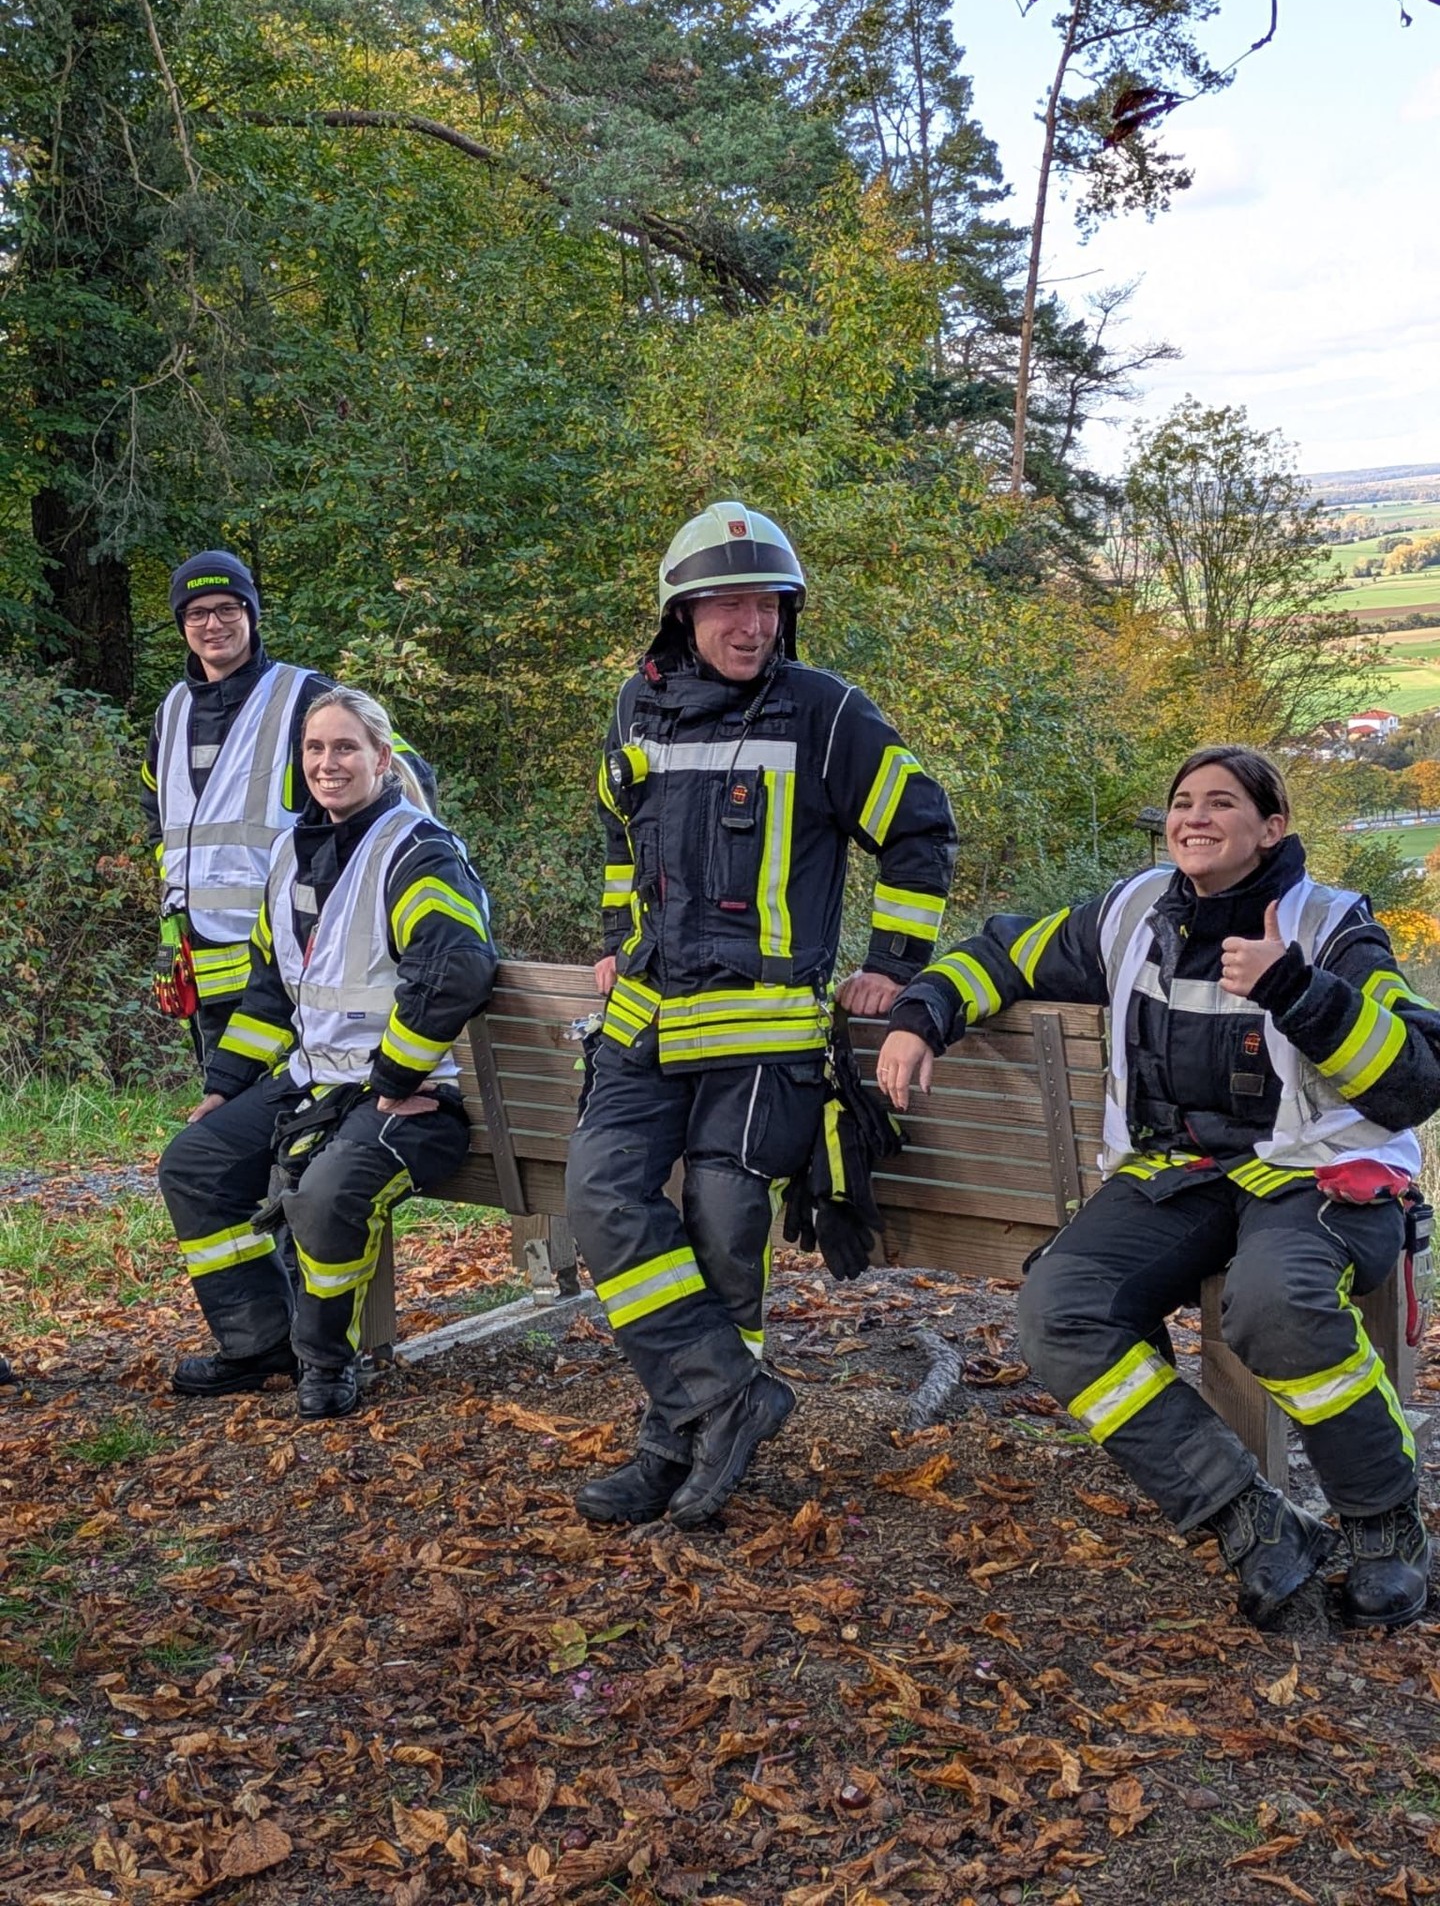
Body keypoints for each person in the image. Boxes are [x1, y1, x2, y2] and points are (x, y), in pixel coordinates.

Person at [877, 745, 1437, 1629]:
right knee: (1059, 1309)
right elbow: (1004, 952)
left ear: (1271, 829)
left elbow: (1413, 1081)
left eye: (1222, 803)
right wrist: (922, 1015)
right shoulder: (1133, 910)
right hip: (1180, 1177)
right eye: (1183, 803)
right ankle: (1247, 1518)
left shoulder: (1332, 925)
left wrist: (1299, 989)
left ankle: (1382, 1521)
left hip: (1315, 1176)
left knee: (1274, 1301)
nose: (1196, 818)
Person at [566, 501, 956, 1529]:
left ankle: (677, 1442)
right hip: (644, 1024)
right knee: (603, 1198)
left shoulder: (826, 714)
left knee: (725, 1225)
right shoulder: (634, 707)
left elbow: (920, 829)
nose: (753, 626)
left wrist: (893, 964)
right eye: (728, 606)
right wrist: (615, 934)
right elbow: (617, 829)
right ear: (680, 616)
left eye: (769, 606)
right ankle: (726, 1402)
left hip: (764, 1037)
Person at [157, 686, 495, 1419]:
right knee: (195, 1164)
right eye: (314, 748)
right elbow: (272, 987)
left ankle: (325, 1360)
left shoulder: (418, 850)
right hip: (315, 1086)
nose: (327, 762)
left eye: (345, 748)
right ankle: (259, 1344)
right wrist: (226, 1083)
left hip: (414, 1100)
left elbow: (456, 965)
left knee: (324, 1196)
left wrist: (396, 1076)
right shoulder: (290, 851)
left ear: (381, 758)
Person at [142, 551, 434, 1070]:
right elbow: (156, 807)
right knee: (223, 1099)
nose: (214, 624)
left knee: (284, 1111)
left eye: (229, 608)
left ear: (252, 614)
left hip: (288, 956)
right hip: (199, 957)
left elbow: (405, 776)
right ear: (181, 623)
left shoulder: (304, 695)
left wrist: (365, 877)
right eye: (198, 612)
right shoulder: (172, 710)